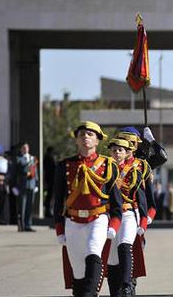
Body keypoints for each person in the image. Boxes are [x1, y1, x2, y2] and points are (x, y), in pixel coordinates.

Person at [53, 121, 123, 297]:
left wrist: (114, 224)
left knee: (93, 254)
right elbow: (58, 200)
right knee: (78, 273)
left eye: (91, 134)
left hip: (97, 218)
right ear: (76, 140)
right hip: (73, 221)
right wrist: (59, 229)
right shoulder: (65, 165)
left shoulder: (108, 165)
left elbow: (116, 201)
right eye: (82, 134)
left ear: (97, 140)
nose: (86, 136)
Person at [105, 137, 147, 297]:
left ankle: (127, 284)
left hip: (127, 214)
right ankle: (114, 291)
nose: (116, 153)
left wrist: (143, 221)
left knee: (125, 245)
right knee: (112, 258)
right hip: (109, 216)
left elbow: (141, 198)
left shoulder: (134, 171)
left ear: (126, 153)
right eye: (114, 150)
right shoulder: (104, 169)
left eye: (120, 150)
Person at [12, 142, 38, 232]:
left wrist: (36, 184)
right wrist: (13, 186)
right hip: (22, 185)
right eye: (23, 148)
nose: (25, 149)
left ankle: (28, 225)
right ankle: (21, 225)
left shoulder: (33, 158)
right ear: (21, 149)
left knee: (29, 206)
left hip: (31, 184)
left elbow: (35, 172)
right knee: (22, 206)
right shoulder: (18, 159)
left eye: (26, 147)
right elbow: (14, 173)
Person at [43, 146, 57, 218]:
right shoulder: (50, 158)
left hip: (49, 179)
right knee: (50, 196)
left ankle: (48, 211)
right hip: (51, 180)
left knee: (49, 196)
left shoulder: (46, 158)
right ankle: (48, 211)